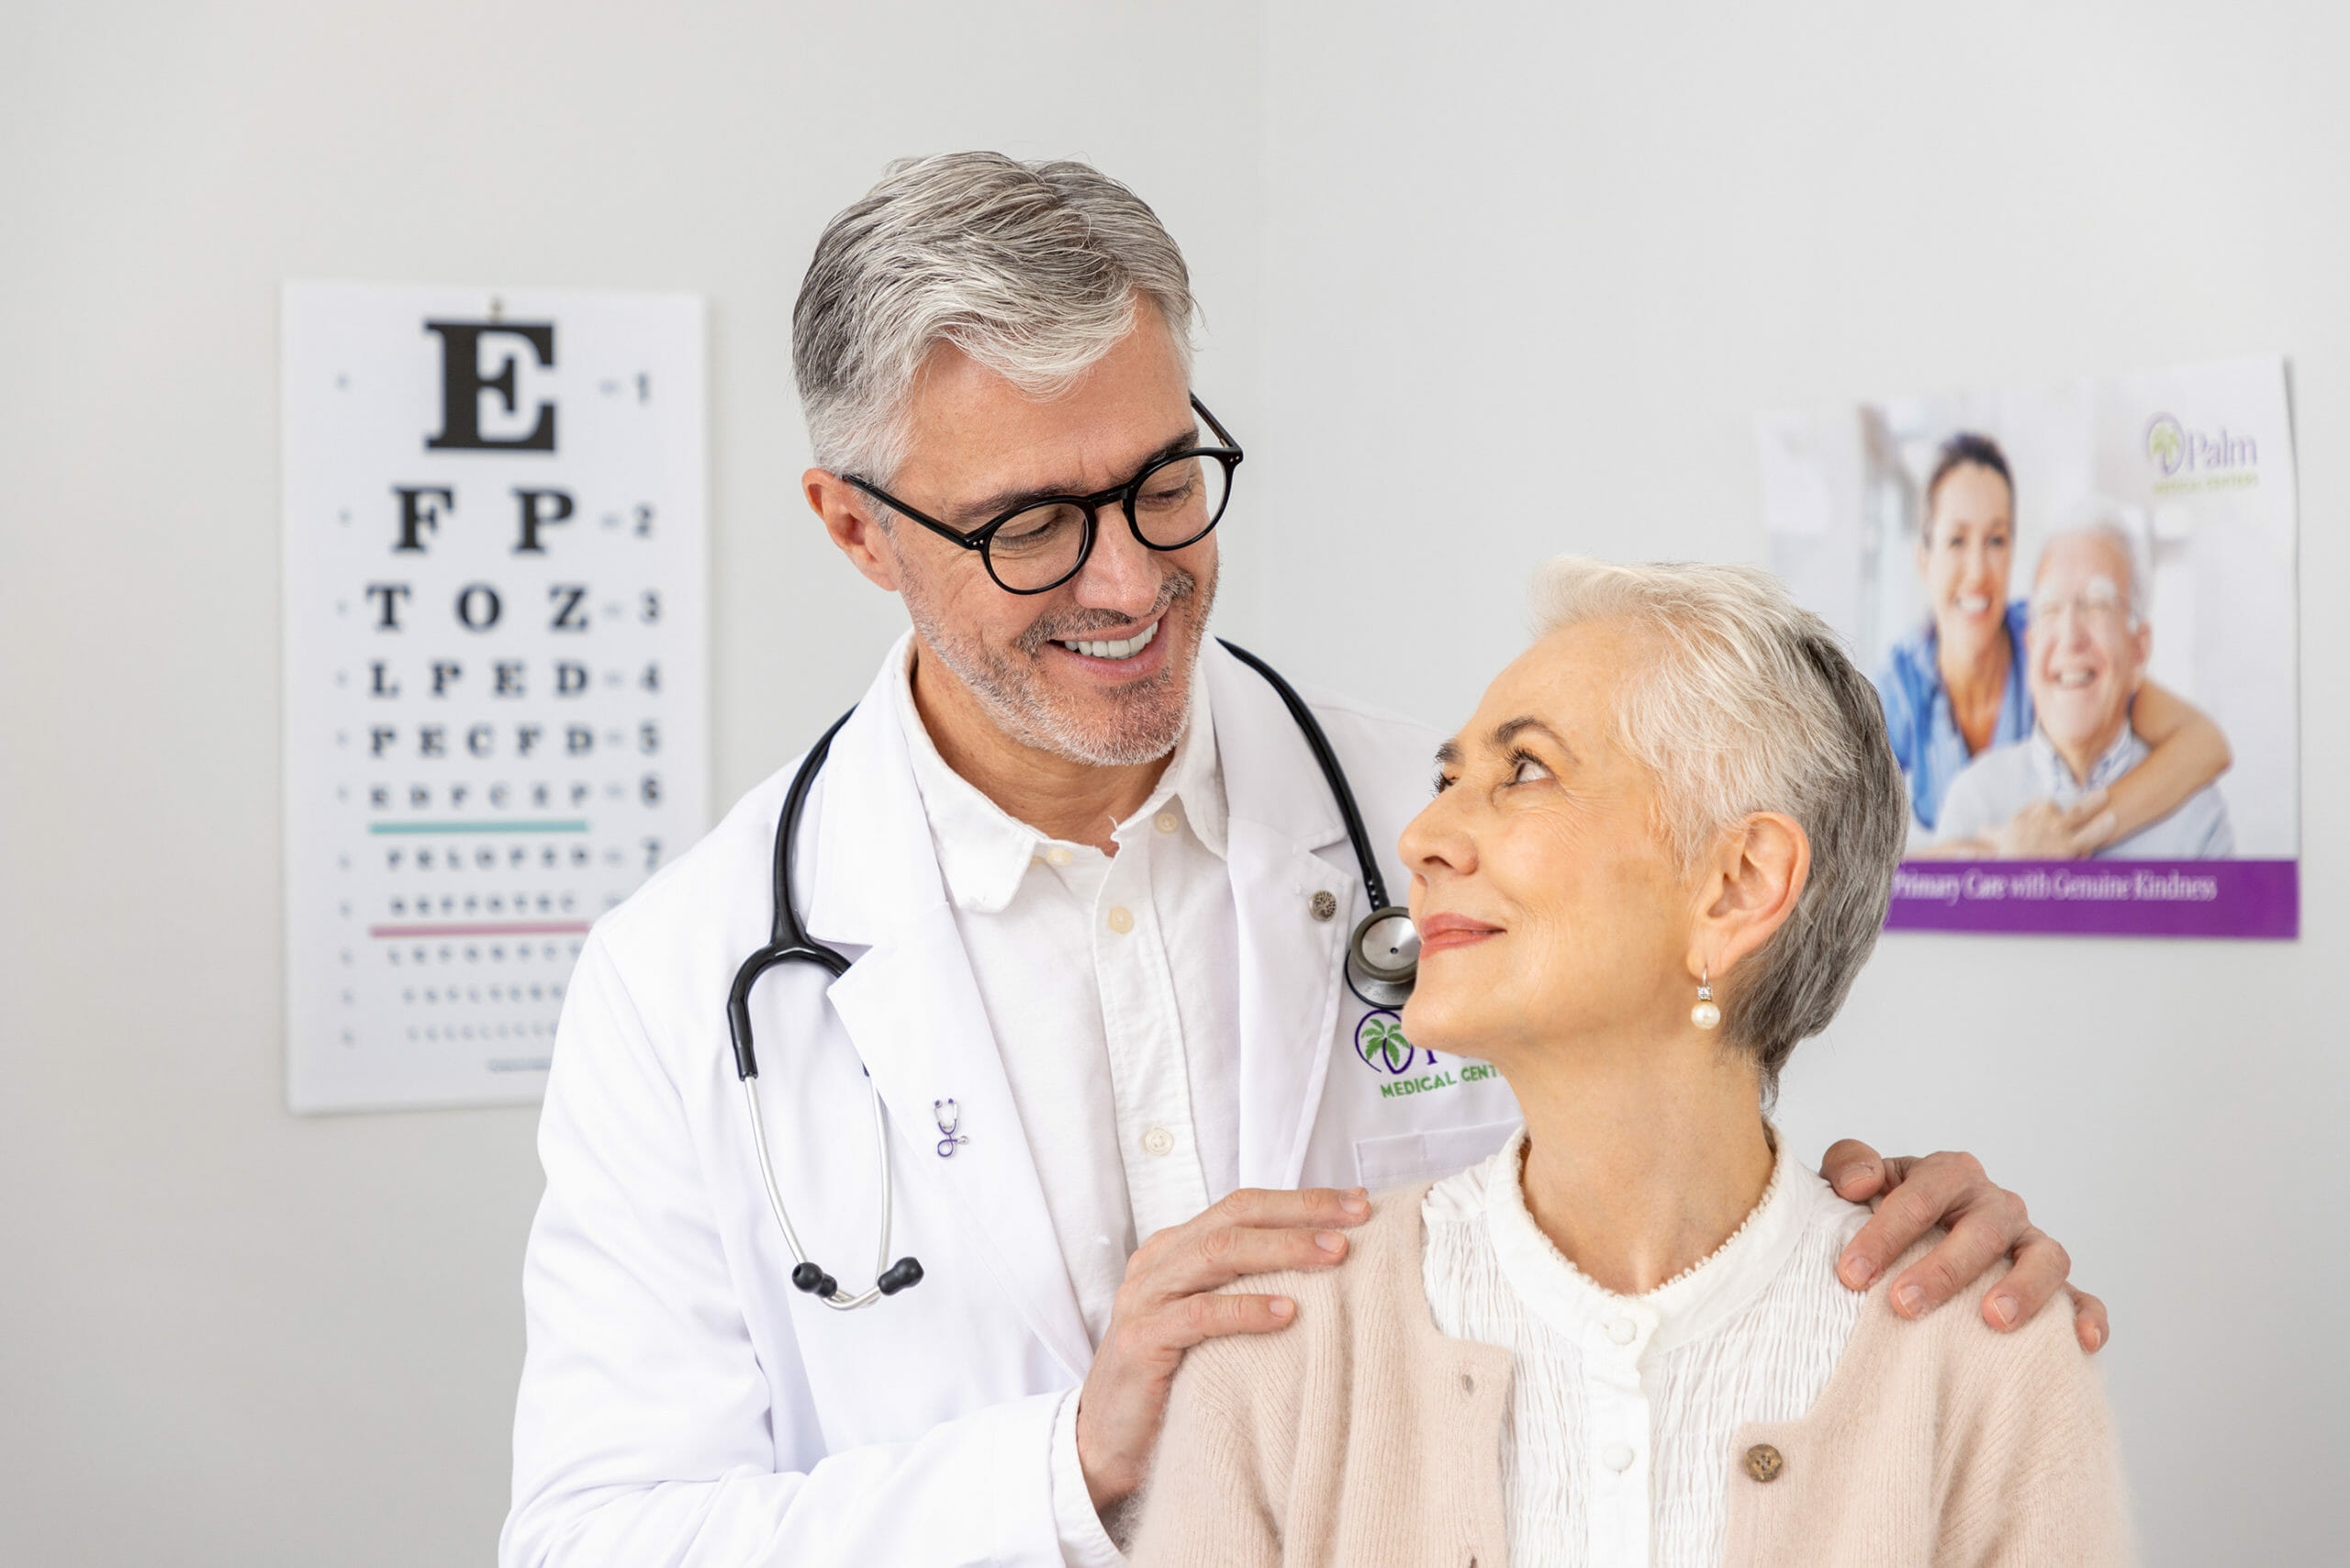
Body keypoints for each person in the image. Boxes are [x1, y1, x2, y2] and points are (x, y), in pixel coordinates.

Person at [500, 154, 2104, 1568]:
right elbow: (592, 1537)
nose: (1131, 578)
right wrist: (1067, 1462)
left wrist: (1871, 1254)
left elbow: (1659, 1201)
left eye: (1165, 480)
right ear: (858, 530)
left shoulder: (1449, 827)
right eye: (1031, 526)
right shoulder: (681, 977)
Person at [1132, 559, 2131, 1567]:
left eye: (1524, 770)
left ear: (1737, 884)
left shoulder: (1983, 1359)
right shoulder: (1278, 1353)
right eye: (1445, 779)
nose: (1422, 834)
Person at [1879, 431, 2226, 856]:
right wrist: (1999, 855)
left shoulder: (2057, 646)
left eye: (1996, 540)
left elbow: (2204, 745)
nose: (1977, 569)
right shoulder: (1900, 684)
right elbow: (1844, 847)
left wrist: (2075, 831)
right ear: (1923, 560)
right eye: (1956, 540)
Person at [1938, 515, 2231, 858]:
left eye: (2097, 603)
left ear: (2139, 650)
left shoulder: (2197, 819)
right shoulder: (1973, 801)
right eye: (2050, 607)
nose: (2070, 636)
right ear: (2031, 646)